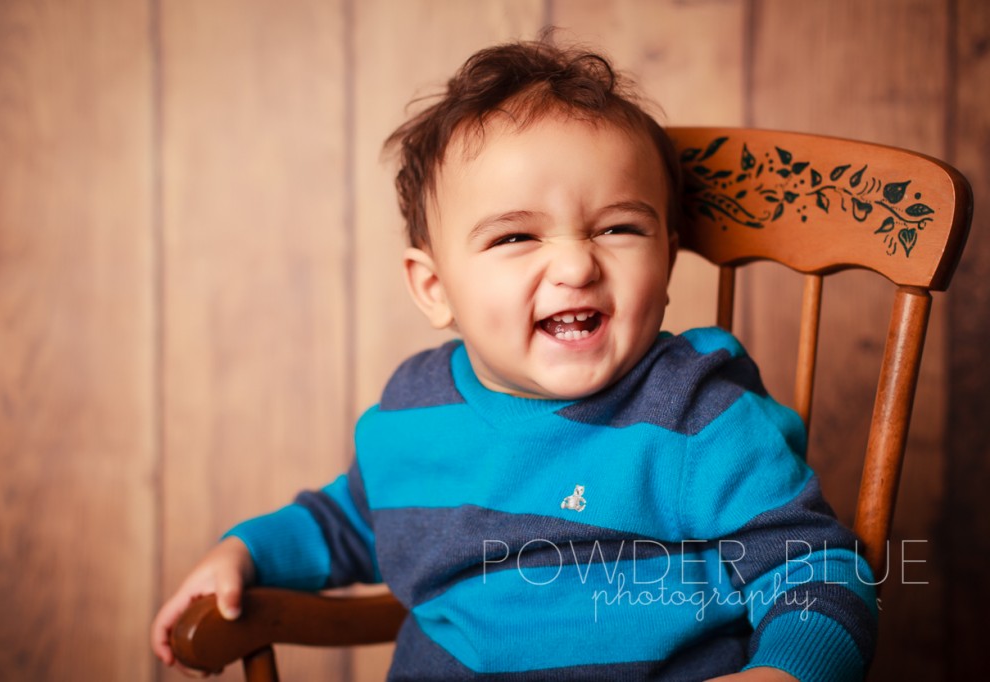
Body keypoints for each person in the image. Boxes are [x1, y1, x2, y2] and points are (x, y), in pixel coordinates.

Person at [152, 35, 877, 681]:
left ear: (667, 261)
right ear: (435, 289)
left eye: (620, 227)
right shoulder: (415, 414)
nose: (574, 264)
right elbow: (355, 523)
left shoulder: (696, 415)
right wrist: (245, 552)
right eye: (515, 238)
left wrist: (784, 671)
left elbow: (818, 573)